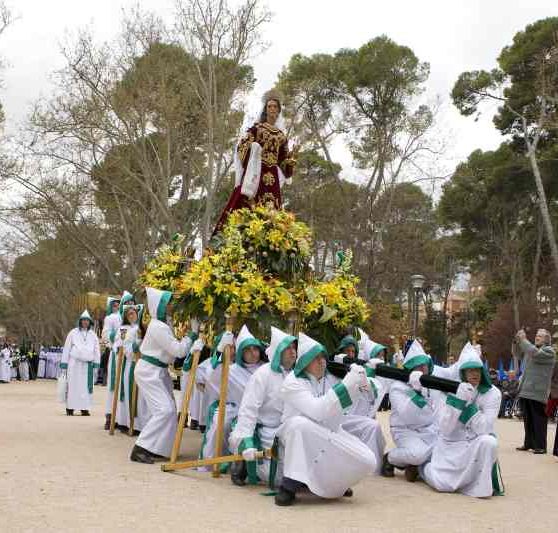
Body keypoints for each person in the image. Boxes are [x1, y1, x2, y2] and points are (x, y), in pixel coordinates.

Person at [275, 332, 376, 506]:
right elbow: (318, 411)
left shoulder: (327, 378)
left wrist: (365, 381)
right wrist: (346, 384)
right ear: (305, 362)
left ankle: (334, 484)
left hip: (327, 431)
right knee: (300, 425)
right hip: (295, 438)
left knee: (368, 460)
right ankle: (289, 485)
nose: (322, 361)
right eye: (316, 358)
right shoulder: (292, 382)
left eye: (323, 357)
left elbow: (363, 400)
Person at [421, 343, 504, 497]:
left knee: (489, 441)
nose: (474, 374)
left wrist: (469, 409)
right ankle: (423, 468)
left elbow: (485, 428)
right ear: (462, 373)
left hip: (474, 442)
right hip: (451, 444)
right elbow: (445, 429)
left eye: (477, 369)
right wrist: (457, 402)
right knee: (443, 485)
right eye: (469, 370)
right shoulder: (448, 390)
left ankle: (480, 487)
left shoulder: (493, 394)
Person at [213, 91, 298, 234]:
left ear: (278, 111)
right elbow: (241, 147)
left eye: (275, 107)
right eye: (269, 106)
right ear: (266, 110)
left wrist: (290, 161)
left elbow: (283, 164)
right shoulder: (256, 129)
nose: (272, 109)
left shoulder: (282, 137)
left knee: (272, 209)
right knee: (247, 202)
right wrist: (254, 150)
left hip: (273, 179)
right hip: (257, 172)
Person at [130, 287, 198, 464]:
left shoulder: (163, 324)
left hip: (158, 371)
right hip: (149, 372)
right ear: (158, 306)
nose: (170, 306)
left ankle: (159, 448)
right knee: (164, 410)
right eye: (166, 303)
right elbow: (178, 351)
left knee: (168, 412)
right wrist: (192, 335)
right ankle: (141, 447)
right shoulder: (158, 327)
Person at [229, 326, 297, 488]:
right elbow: (248, 409)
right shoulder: (263, 374)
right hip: (265, 431)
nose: (292, 352)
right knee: (276, 476)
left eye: (293, 347)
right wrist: (246, 441)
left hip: (290, 428)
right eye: (287, 348)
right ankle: (244, 464)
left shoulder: (297, 374)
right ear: (278, 351)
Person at [199, 325, 266, 469]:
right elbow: (211, 376)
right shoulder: (232, 370)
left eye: (255, 349)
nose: (253, 353)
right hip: (237, 409)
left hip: (264, 411)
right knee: (220, 424)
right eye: (247, 350)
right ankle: (214, 462)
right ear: (241, 353)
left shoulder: (267, 368)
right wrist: (220, 350)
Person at [381, 339, 439, 481]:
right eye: (417, 366)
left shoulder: (431, 384)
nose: (422, 369)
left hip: (428, 430)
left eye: (424, 365)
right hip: (405, 431)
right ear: (410, 368)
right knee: (417, 455)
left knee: (448, 447)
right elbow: (408, 416)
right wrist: (416, 392)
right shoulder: (397, 387)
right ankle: (390, 458)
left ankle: (414, 466)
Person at [515, 328, 556, 454]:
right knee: (528, 420)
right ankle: (529, 443)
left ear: (547, 339)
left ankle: (541, 446)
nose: (537, 337)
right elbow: (517, 354)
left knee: (539, 420)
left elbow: (535, 354)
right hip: (526, 390)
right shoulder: (531, 349)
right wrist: (516, 341)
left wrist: (523, 340)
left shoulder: (549, 351)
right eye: (536, 335)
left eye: (540, 336)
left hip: (538, 392)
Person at [60, 310, 101, 416]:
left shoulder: (93, 335)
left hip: (87, 365)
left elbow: (97, 350)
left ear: (90, 322)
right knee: (73, 385)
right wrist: (64, 364)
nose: (85, 322)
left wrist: (97, 363)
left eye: (87, 321)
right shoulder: (73, 333)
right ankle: (70, 407)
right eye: (83, 320)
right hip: (74, 364)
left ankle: (84, 408)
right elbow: (67, 348)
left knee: (85, 387)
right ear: (80, 321)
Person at [114, 305, 146, 434]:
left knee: (142, 398)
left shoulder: (143, 328)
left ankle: (142, 425)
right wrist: (135, 345)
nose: (132, 316)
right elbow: (124, 347)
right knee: (130, 395)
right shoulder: (124, 329)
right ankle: (131, 423)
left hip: (144, 366)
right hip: (131, 364)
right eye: (129, 314)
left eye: (134, 313)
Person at [102, 296, 122, 429]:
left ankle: (123, 417)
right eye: (114, 305)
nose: (117, 307)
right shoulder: (110, 318)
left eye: (118, 304)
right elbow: (105, 334)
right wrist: (117, 336)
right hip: (116, 353)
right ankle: (110, 416)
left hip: (129, 355)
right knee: (113, 386)